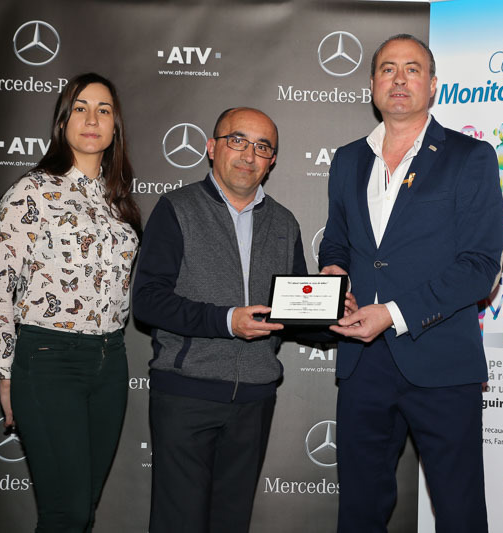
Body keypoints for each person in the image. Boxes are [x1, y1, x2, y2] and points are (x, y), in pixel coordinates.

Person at [319, 34, 503, 532]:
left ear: (433, 84)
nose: (399, 79)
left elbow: (480, 265)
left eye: (412, 69)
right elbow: (336, 240)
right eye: (388, 69)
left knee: (459, 512)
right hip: (362, 362)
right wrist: (334, 272)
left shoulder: (470, 156)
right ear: (372, 84)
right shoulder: (348, 159)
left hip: (441, 357)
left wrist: (393, 313)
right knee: (359, 512)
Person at [0, 72, 141, 532]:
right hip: (48, 359)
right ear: (63, 120)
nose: (92, 119)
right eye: (81, 108)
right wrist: (5, 372)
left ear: (115, 126)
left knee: (81, 510)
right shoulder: (31, 191)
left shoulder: (119, 200)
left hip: (110, 363)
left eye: (103, 110)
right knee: (66, 513)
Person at [133, 107, 307, 533]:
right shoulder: (176, 208)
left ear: (272, 161)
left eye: (262, 147)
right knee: (178, 524)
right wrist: (227, 321)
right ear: (212, 148)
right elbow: (148, 302)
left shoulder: (285, 222)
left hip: (255, 400)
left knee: (232, 523)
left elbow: (295, 313)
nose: (249, 154)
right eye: (238, 140)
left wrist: (336, 319)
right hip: (186, 395)